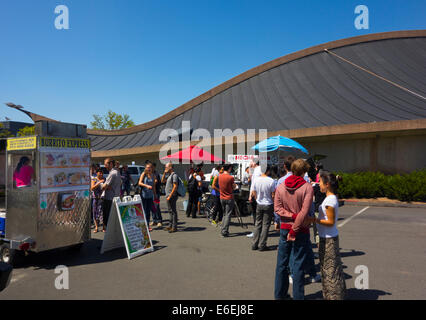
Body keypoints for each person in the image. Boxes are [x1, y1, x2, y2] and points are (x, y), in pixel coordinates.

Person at [274, 159, 314, 300]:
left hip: (285, 228)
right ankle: (298, 297)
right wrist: (295, 226)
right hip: (300, 230)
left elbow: (277, 209)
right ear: (303, 172)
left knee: (282, 264)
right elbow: (304, 212)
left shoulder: (281, 186)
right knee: (298, 266)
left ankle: (280, 295)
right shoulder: (307, 187)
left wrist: (290, 216)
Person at [308, 170, 346, 300]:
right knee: (329, 269)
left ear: (328, 184)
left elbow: (329, 222)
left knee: (330, 271)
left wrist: (315, 220)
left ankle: (334, 296)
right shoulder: (330, 198)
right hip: (328, 237)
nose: (319, 184)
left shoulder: (330, 200)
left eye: (320, 182)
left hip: (329, 238)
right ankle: (332, 295)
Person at [250, 165, 275, 251]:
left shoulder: (256, 179)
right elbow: (273, 194)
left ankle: (254, 243)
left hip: (259, 203)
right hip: (268, 204)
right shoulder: (271, 181)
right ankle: (262, 244)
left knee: (258, 224)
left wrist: (257, 198)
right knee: (265, 225)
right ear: (268, 171)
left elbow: (253, 192)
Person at [101, 158, 122, 231]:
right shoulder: (117, 172)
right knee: (114, 218)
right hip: (115, 197)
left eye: (106, 164)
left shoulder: (112, 173)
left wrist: (101, 184)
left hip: (109, 199)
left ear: (111, 164)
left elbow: (104, 187)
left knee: (108, 218)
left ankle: (109, 234)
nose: (105, 166)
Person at [138, 162, 157, 231]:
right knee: (144, 211)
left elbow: (154, 186)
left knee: (148, 211)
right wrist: (146, 185)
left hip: (150, 196)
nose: (149, 169)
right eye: (147, 167)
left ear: (152, 168)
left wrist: (155, 196)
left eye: (150, 167)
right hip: (143, 195)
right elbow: (139, 182)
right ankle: (143, 225)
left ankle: (147, 225)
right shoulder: (144, 174)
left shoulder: (153, 176)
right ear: (145, 168)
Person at [219, 164, 236, 237]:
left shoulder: (220, 176)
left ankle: (223, 229)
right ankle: (224, 231)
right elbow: (233, 187)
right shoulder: (230, 177)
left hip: (222, 197)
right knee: (228, 215)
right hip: (229, 197)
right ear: (229, 168)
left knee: (224, 214)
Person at [161, 163, 179, 233]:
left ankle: (174, 227)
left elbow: (175, 186)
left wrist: (170, 196)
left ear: (170, 167)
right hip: (168, 196)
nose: (165, 168)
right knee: (170, 211)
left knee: (173, 211)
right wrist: (164, 173)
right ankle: (170, 225)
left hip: (172, 196)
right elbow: (162, 181)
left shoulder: (174, 175)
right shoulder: (169, 175)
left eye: (166, 167)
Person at [247, 161, 261, 238]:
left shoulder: (256, 171)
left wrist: (250, 195)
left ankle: (256, 232)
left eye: (251, 163)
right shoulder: (260, 170)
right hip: (260, 195)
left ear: (255, 163)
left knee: (256, 214)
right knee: (259, 214)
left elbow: (253, 184)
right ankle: (259, 231)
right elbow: (250, 178)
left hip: (255, 195)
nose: (250, 164)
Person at [91, 168, 105, 233]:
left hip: (102, 198)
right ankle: (96, 227)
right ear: (97, 173)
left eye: (102, 173)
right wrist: (99, 182)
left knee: (102, 212)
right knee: (95, 212)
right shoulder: (94, 179)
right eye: (100, 173)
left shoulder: (104, 179)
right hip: (95, 198)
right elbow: (92, 188)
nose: (101, 174)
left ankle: (103, 227)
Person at [152, 162, 163, 227]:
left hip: (156, 193)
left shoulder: (156, 173)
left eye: (152, 167)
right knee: (152, 207)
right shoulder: (150, 173)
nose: (150, 168)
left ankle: (159, 220)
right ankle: (154, 220)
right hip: (151, 193)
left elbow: (156, 181)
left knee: (157, 207)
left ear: (154, 167)